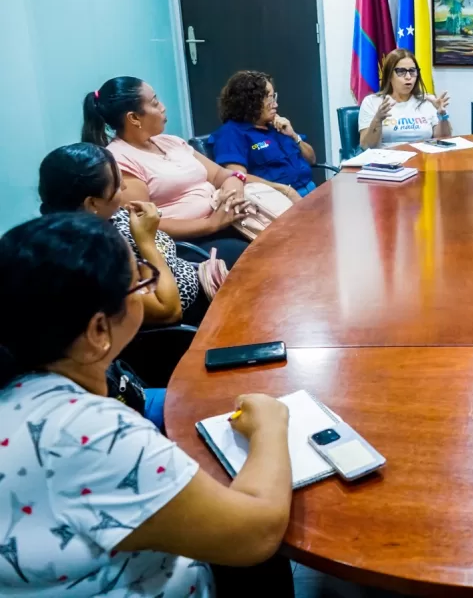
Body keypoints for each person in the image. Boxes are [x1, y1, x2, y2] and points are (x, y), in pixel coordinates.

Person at [0, 213, 293, 596]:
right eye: (138, 279)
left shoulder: (21, 388)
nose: (144, 286)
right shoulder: (94, 433)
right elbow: (257, 533)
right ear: (98, 331)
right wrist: (271, 424)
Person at [82, 76, 262, 269]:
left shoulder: (171, 142)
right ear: (134, 117)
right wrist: (211, 224)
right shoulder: (120, 159)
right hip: (192, 242)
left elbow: (220, 174)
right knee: (257, 253)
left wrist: (233, 190)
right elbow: (144, 225)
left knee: (281, 236)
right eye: (154, 102)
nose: (163, 107)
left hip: (227, 221)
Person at [38, 142, 216, 327]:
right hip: (181, 332)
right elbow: (168, 310)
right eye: (116, 185)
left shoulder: (106, 217)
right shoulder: (88, 257)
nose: (123, 187)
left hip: (201, 286)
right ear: (92, 203)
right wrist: (146, 241)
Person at [211, 71, 317, 197]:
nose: (276, 105)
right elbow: (238, 178)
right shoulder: (231, 134)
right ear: (251, 102)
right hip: (280, 199)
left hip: (312, 190)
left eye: (274, 98)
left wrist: (294, 136)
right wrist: (285, 191)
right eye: (270, 99)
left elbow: (312, 160)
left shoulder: (277, 125)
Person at [358, 48, 451, 148]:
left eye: (412, 71)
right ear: (389, 76)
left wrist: (442, 115)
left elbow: (443, 139)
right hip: (387, 160)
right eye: (401, 71)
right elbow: (366, 146)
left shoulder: (427, 101)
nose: (408, 76)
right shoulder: (373, 102)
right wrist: (377, 119)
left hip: (423, 159)